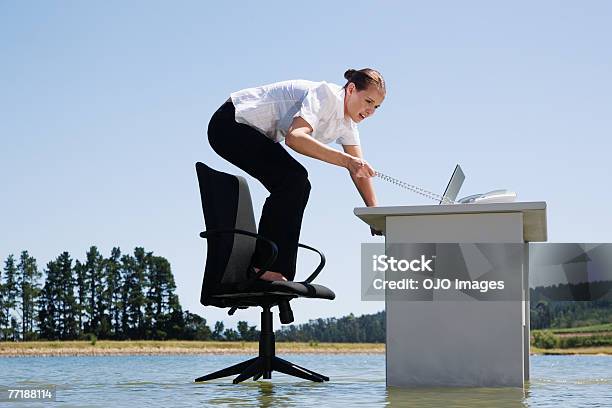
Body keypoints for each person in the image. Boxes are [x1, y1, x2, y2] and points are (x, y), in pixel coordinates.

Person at [207, 68, 385, 282]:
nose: (370, 111)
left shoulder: (347, 124)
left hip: (247, 131)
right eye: (368, 101)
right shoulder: (325, 95)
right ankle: (264, 268)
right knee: (294, 180)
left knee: (297, 183)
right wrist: (347, 161)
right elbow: (295, 138)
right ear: (351, 89)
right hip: (229, 123)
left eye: (376, 107)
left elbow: (359, 171)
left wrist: (374, 215)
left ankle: (277, 271)